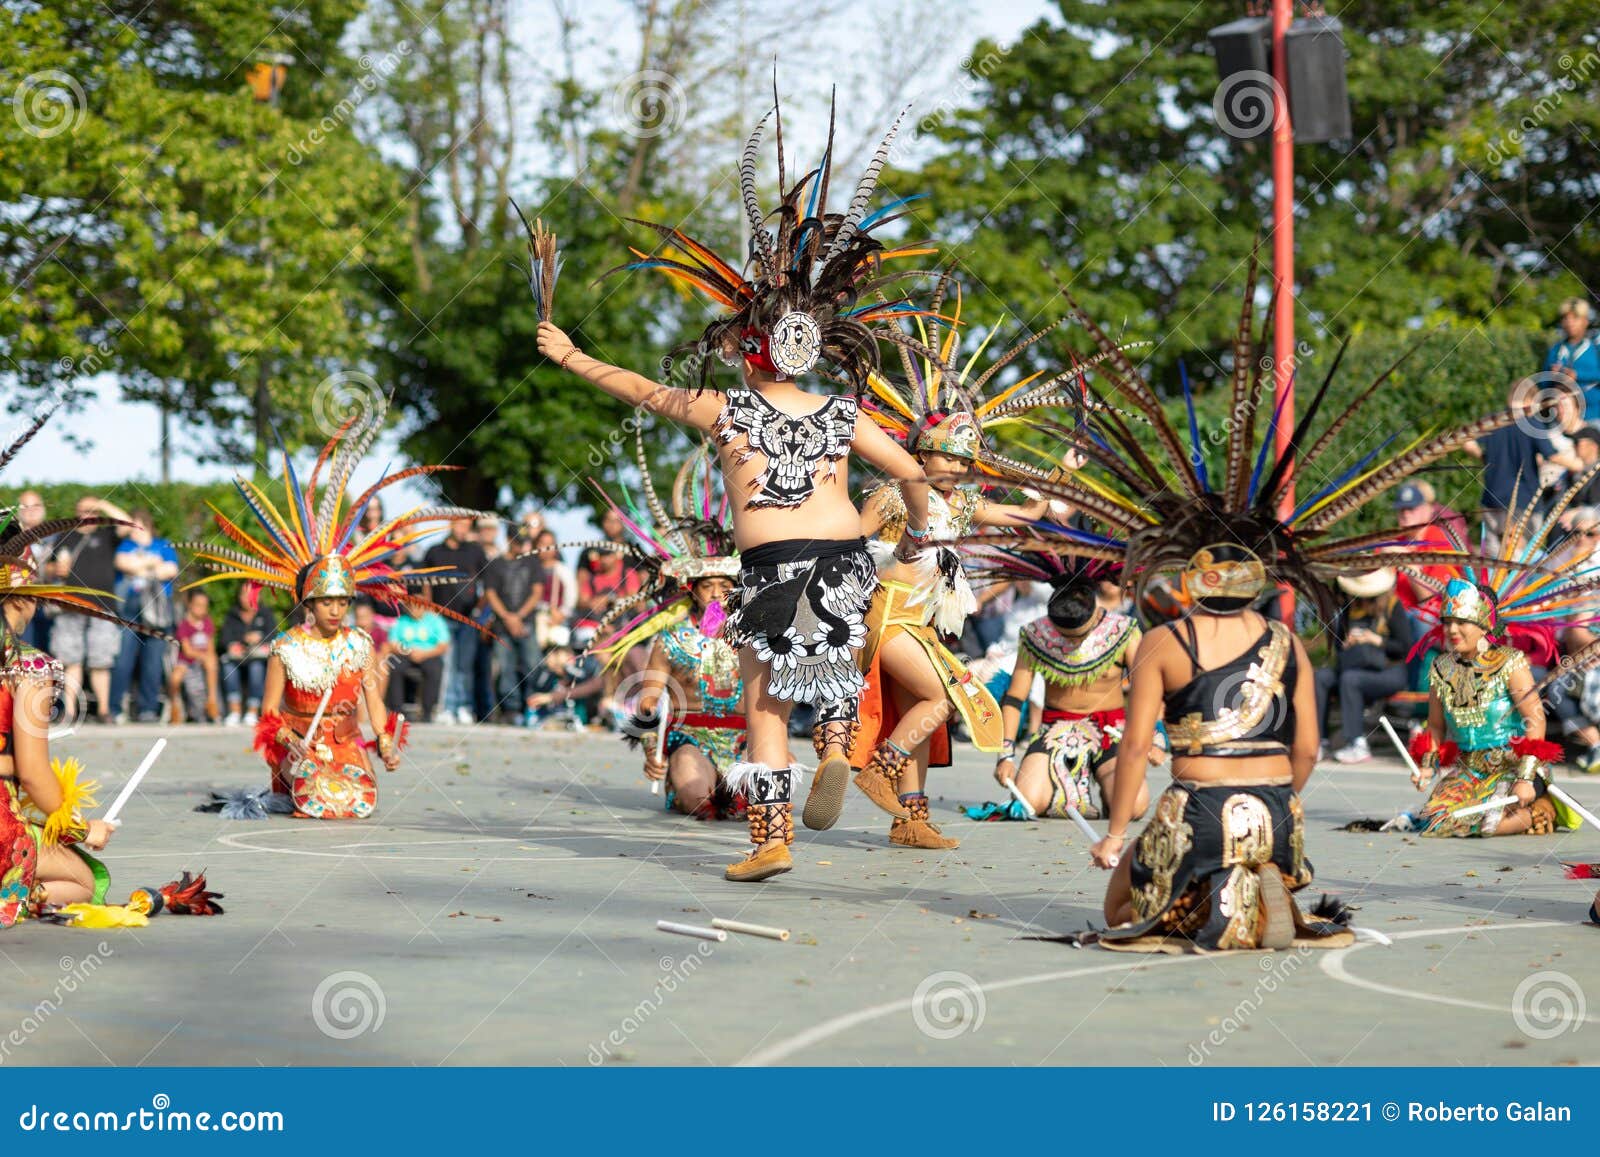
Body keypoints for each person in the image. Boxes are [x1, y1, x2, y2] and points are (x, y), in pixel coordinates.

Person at [1025, 259, 1497, 951]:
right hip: (1279, 811)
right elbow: (1306, 745)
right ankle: (1252, 881)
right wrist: (1282, 794)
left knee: (1123, 910)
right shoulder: (1287, 643)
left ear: (1190, 578)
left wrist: (1119, 834)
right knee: (1224, 857)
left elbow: (1132, 747)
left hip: (1199, 808)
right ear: (1256, 577)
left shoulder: (1164, 639)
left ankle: (1217, 895)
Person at [537, 95, 934, 881]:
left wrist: (572, 356)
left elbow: (641, 390)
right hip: (846, 556)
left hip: (771, 561)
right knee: (827, 671)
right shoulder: (843, 410)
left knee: (764, 704)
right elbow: (914, 472)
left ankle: (771, 838)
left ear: (749, 351)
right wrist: (915, 536)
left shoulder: (725, 410)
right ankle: (834, 747)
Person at [187, 397, 490, 819]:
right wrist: (286, 740)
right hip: (298, 747)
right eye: (327, 601)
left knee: (353, 803)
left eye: (342, 602)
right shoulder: (285, 648)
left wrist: (384, 739)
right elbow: (269, 713)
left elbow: (374, 699)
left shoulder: (359, 644)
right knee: (315, 802)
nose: (335, 609)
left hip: (346, 743)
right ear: (309, 603)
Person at [595, 441, 747, 818]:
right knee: (698, 799)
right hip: (690, 739)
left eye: (726, 586)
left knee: (773, 794)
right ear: (691, 590)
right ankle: (686, 782)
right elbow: (648, 702)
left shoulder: (755, 636)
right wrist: (653, 752)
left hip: (746, 742)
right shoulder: (671, 638)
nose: (718, 593)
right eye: (708, 585)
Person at [987, 554, 1158, 823]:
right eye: (1063, 635)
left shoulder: (1123, 630)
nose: (1071, 643)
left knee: (1133, 808)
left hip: (1111, 731)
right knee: (1029, 802)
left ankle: (1108, 787)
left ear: (1094, 612)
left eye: (1079, 634)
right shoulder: (1035, 634)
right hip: (1054, 728)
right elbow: (1015, 697)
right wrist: (1005, 756)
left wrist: (1152, 737)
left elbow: (1148, 689)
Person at [1407, 580, 1566, 836]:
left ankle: (1538, 810)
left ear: (1484, 626)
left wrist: (1525, 778)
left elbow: (1536, 719)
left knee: (1487, 824)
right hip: (1469, 769)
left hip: (1511, 766)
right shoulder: (1441, 668)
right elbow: (1435, 726)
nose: (1452, 630)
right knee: (1437, 820)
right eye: (1447, 622)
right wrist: (1428, 766)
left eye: (1461, 622)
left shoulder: (1510, 663)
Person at [1463, 380, 1580, 550]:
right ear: (1530, 401)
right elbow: (1552, 455)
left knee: (1493, 560)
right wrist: (1578, 464)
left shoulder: (1494, 421)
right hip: (1524, 500)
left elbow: (1467, 441)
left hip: (1492, 499)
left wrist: (1484, 457)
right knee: (1523, 558)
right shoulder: (1531, 423)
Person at [1314, 569, 1414, 763]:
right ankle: (1320, 740)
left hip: (1389, 671)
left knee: (1350, 679)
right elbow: (1338, 645)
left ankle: (1357, 743)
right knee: (1322, 677)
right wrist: (1348, 643)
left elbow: (1405, 647)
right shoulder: (1348, 608)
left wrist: (1376, 640)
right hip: (1353, 666)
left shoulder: (1393, 607)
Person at [50, 494, 132, 724]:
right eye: (84, 511)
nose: (88, 515)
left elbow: (126, 522)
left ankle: (104, 711)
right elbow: (48, 567)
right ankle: (70, 712)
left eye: (92, 511)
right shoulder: (65, 536)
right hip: (70, 606)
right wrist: (56, 570)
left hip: (102, 607)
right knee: (70, 659)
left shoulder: (106, 534)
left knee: (101, 661)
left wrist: (104, 504)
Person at [109, 510, 179, 722]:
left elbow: (171, 570)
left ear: (145, 525)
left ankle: (147, 709)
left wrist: (138, 567)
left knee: (153, 662)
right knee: (123, 660)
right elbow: (122, 563)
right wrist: (152, 564)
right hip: (130, 610)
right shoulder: (126, 546)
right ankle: (115, 708)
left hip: (158, 611)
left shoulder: (163, 544)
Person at [423, 517, 488, 725]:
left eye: (467, 527)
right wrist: (429, 609)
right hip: (441, 617)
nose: (463, 530)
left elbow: (487, 582)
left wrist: (479, 609)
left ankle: (464, 706)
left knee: (465, 665)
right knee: (448, 665)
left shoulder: (475, 551)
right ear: (450, 525)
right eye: (460, 525)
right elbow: (426, 582)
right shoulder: (434, 551)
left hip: (468, 618)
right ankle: (448, 707)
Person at [483, 531, 542, 722]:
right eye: (517, 542)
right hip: (502, 625)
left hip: (526, 623)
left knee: (532, 664)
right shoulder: (496, 564)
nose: (521, 547)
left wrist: (518, 617)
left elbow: (537, 593)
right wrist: (507, 617)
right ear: (508, 540)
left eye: (524, 543)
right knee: (505, 666)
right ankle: (511, 708)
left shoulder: (532, 562)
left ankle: (531, 703)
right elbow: (490, 593)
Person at [384, 603, 451, 723]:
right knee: (394, 667)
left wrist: (424, 654)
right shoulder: (402, 621)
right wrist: (408, 651)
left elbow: (443, 645)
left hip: (429, 653)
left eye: (417, 606)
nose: (414, 609)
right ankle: (397, 710)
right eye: (412, 606)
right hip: (405, 653)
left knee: (434, 668)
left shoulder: (435, 621)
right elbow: (392, 643)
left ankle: (427, 711)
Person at [169, 589, 220, 724]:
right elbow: (187, 651)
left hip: (203, 660)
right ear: (190, 605)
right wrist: (203, 656)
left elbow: (210, 647)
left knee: (211, 663)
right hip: (186, 661)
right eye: (198, 605)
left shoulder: (207, 622)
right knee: (175, 678)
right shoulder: (184, 625)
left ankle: (212, 700)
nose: (202, 609)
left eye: (204, 606)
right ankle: (174, 705)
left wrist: (208, 657)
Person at [1544, 297, 1600, 419]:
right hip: (1561, 418)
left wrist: (1577, 375)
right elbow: (1543, 385)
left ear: (1585, 321)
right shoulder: (1555, 350)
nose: (1569, 323)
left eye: (1575, 317)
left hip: (1593, 416)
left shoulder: (1595, 347)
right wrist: (1552, 376)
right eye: (1565, 318)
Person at [13, 491, 54, 649]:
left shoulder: (57, 536)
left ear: (43, 508)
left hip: (49, 606)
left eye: (35, 505)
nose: (31, 510)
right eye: (25, 506)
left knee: (48, 654)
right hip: (18, 606)